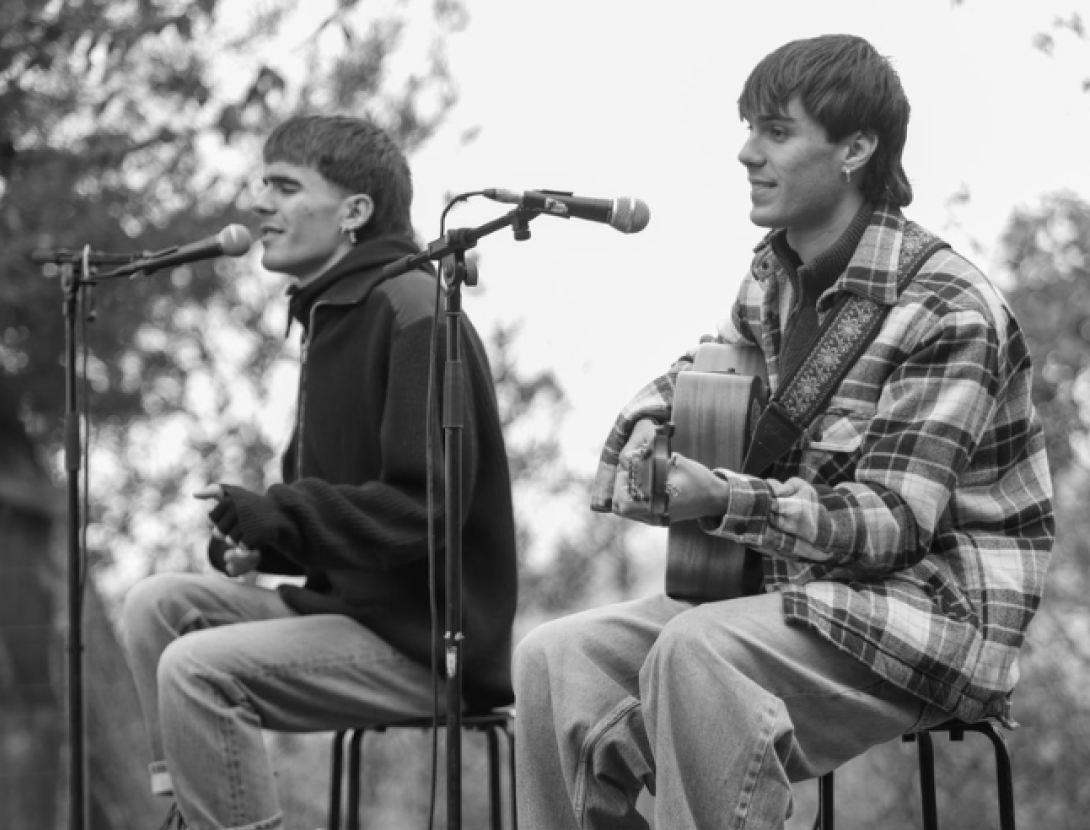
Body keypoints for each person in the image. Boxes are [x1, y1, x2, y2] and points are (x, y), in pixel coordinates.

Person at [512, 34, 1054, 830]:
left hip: (923, 617)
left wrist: (723, 500)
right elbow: (702, 378)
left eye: (775, 131)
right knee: (556, 659)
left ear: (856, 149)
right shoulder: (773, 276)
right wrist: (644, 439)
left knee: (696, 650)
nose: (745, 153)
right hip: (790, 600)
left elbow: (893, 524)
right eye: (746, 128)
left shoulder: (946, 307)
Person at [121, 115, 517, 830]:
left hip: (420, 644)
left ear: (354, 213)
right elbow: (327, 502)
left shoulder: (414, 309)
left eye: (284, 186)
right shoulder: (333, 314)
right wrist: (262, 541)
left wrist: (286, 514)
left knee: (195, 667)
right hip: (345, 612)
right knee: (154, 605)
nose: (260, 204)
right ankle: (193, 814)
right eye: (261, 184)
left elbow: (423, 509)